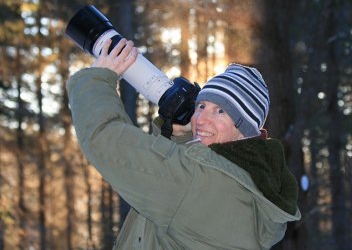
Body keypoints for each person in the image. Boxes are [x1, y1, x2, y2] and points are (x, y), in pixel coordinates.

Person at [67, 38, 301, 250]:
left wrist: (97, 79)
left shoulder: (198, 182)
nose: (201, 119)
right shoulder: (250, 184)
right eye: (201, 106)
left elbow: (105, 141)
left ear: (245, 132)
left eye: (220, 111)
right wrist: (180, 139)